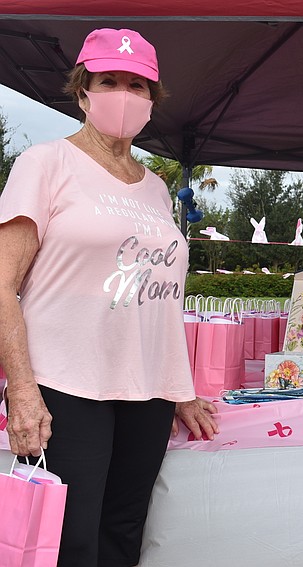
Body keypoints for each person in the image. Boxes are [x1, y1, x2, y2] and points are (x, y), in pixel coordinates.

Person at [0, 28, 219, 566]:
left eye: (138, 86)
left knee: (123, 532)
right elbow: (3, 283)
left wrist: (181, 388)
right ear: (82, 92)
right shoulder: (45, 164)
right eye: (109, 81)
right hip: (66, 383)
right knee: (70, 538)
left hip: (147, 390)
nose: (124, 94)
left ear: (152, 100)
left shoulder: (154, 187)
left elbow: (159, 295)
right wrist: (21, 391)